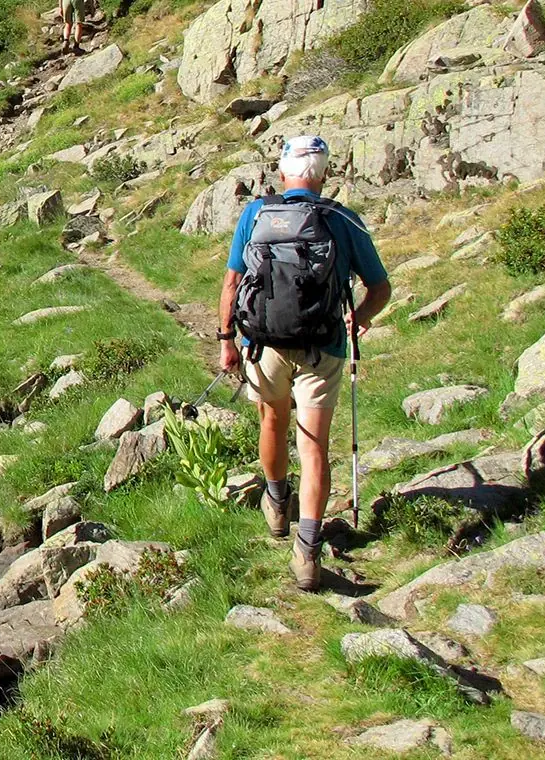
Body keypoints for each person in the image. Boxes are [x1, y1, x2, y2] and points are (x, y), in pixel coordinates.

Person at [216, 136, 392, 592]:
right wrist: (360, 319)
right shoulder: (341, 219)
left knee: (271, 423)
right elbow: (380, 287)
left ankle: (276, 504)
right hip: (324, 346)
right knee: (314, 446)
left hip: (263, 343)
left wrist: (226, 340)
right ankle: (308, 552)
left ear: (282, 174)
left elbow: (233, 283)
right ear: (324, 176)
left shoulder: (255, 214)